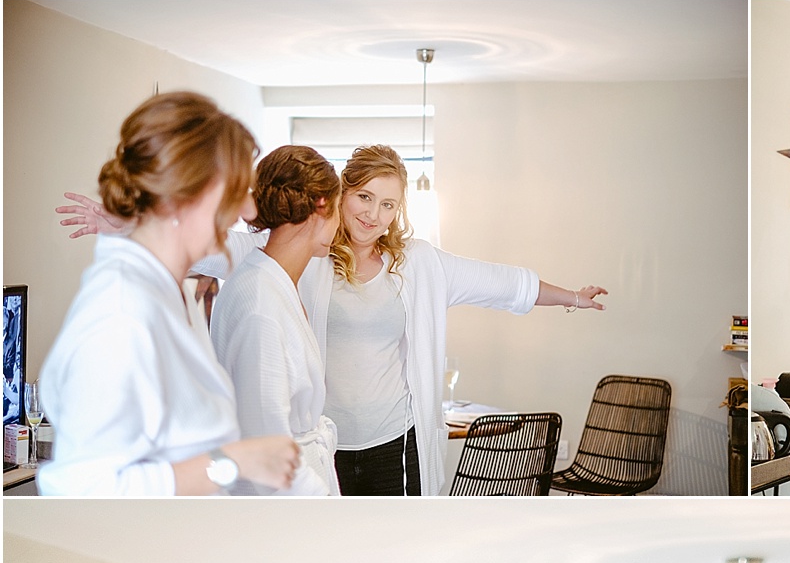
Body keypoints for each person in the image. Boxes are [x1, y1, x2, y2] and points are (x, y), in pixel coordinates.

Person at [58, 143, 608, 495]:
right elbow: (200, 245)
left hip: (395, 442)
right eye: (364, 197)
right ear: (339, 197)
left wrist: (572, 298)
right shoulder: (296, 252)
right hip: (326, 447)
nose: (374, 214)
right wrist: (120, 221)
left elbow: (502, 283)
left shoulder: (417, 264)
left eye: (389, 205)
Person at [39, 92, 298, 494]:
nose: (249, 212)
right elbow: (82, 490)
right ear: (185, 196)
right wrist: (233, 463)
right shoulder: (120, 315)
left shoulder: (175, 294)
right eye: (238, 191)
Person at [209, 145, 341, 493]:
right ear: (322, 206)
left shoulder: (273, 282)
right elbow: (268, 446)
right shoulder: (260, 305)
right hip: (283, 503)